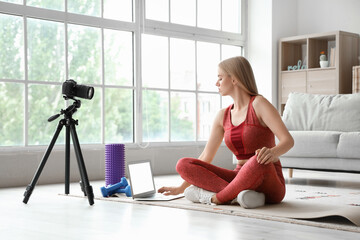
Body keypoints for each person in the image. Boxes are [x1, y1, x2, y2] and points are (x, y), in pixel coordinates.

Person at [158, 56, 294, 208]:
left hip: (268, 178)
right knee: (183, 164)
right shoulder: (222, 115)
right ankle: (240, 196)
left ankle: (217, 198)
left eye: (220, 78)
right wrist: (180, 189)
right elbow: (205, 157)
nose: (216, 83)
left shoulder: (259, 104)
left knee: (256, 160)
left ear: (234, 79)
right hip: (238, 177)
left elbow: (288, 140)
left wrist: (272, 153)